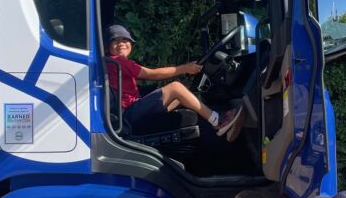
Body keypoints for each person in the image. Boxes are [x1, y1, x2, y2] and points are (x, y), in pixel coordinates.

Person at [104, 24, 243, 138]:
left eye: (125, 40)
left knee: (183, 96)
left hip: (129, 112)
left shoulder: (115, 63)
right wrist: (183, 68)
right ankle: (217, 120)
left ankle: (211, 127)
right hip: (128, 114)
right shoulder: (117, 62)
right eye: (116, 41)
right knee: (176, 88)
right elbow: (151, 74)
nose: (121, 43)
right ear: (107, 47)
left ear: (131, 44)